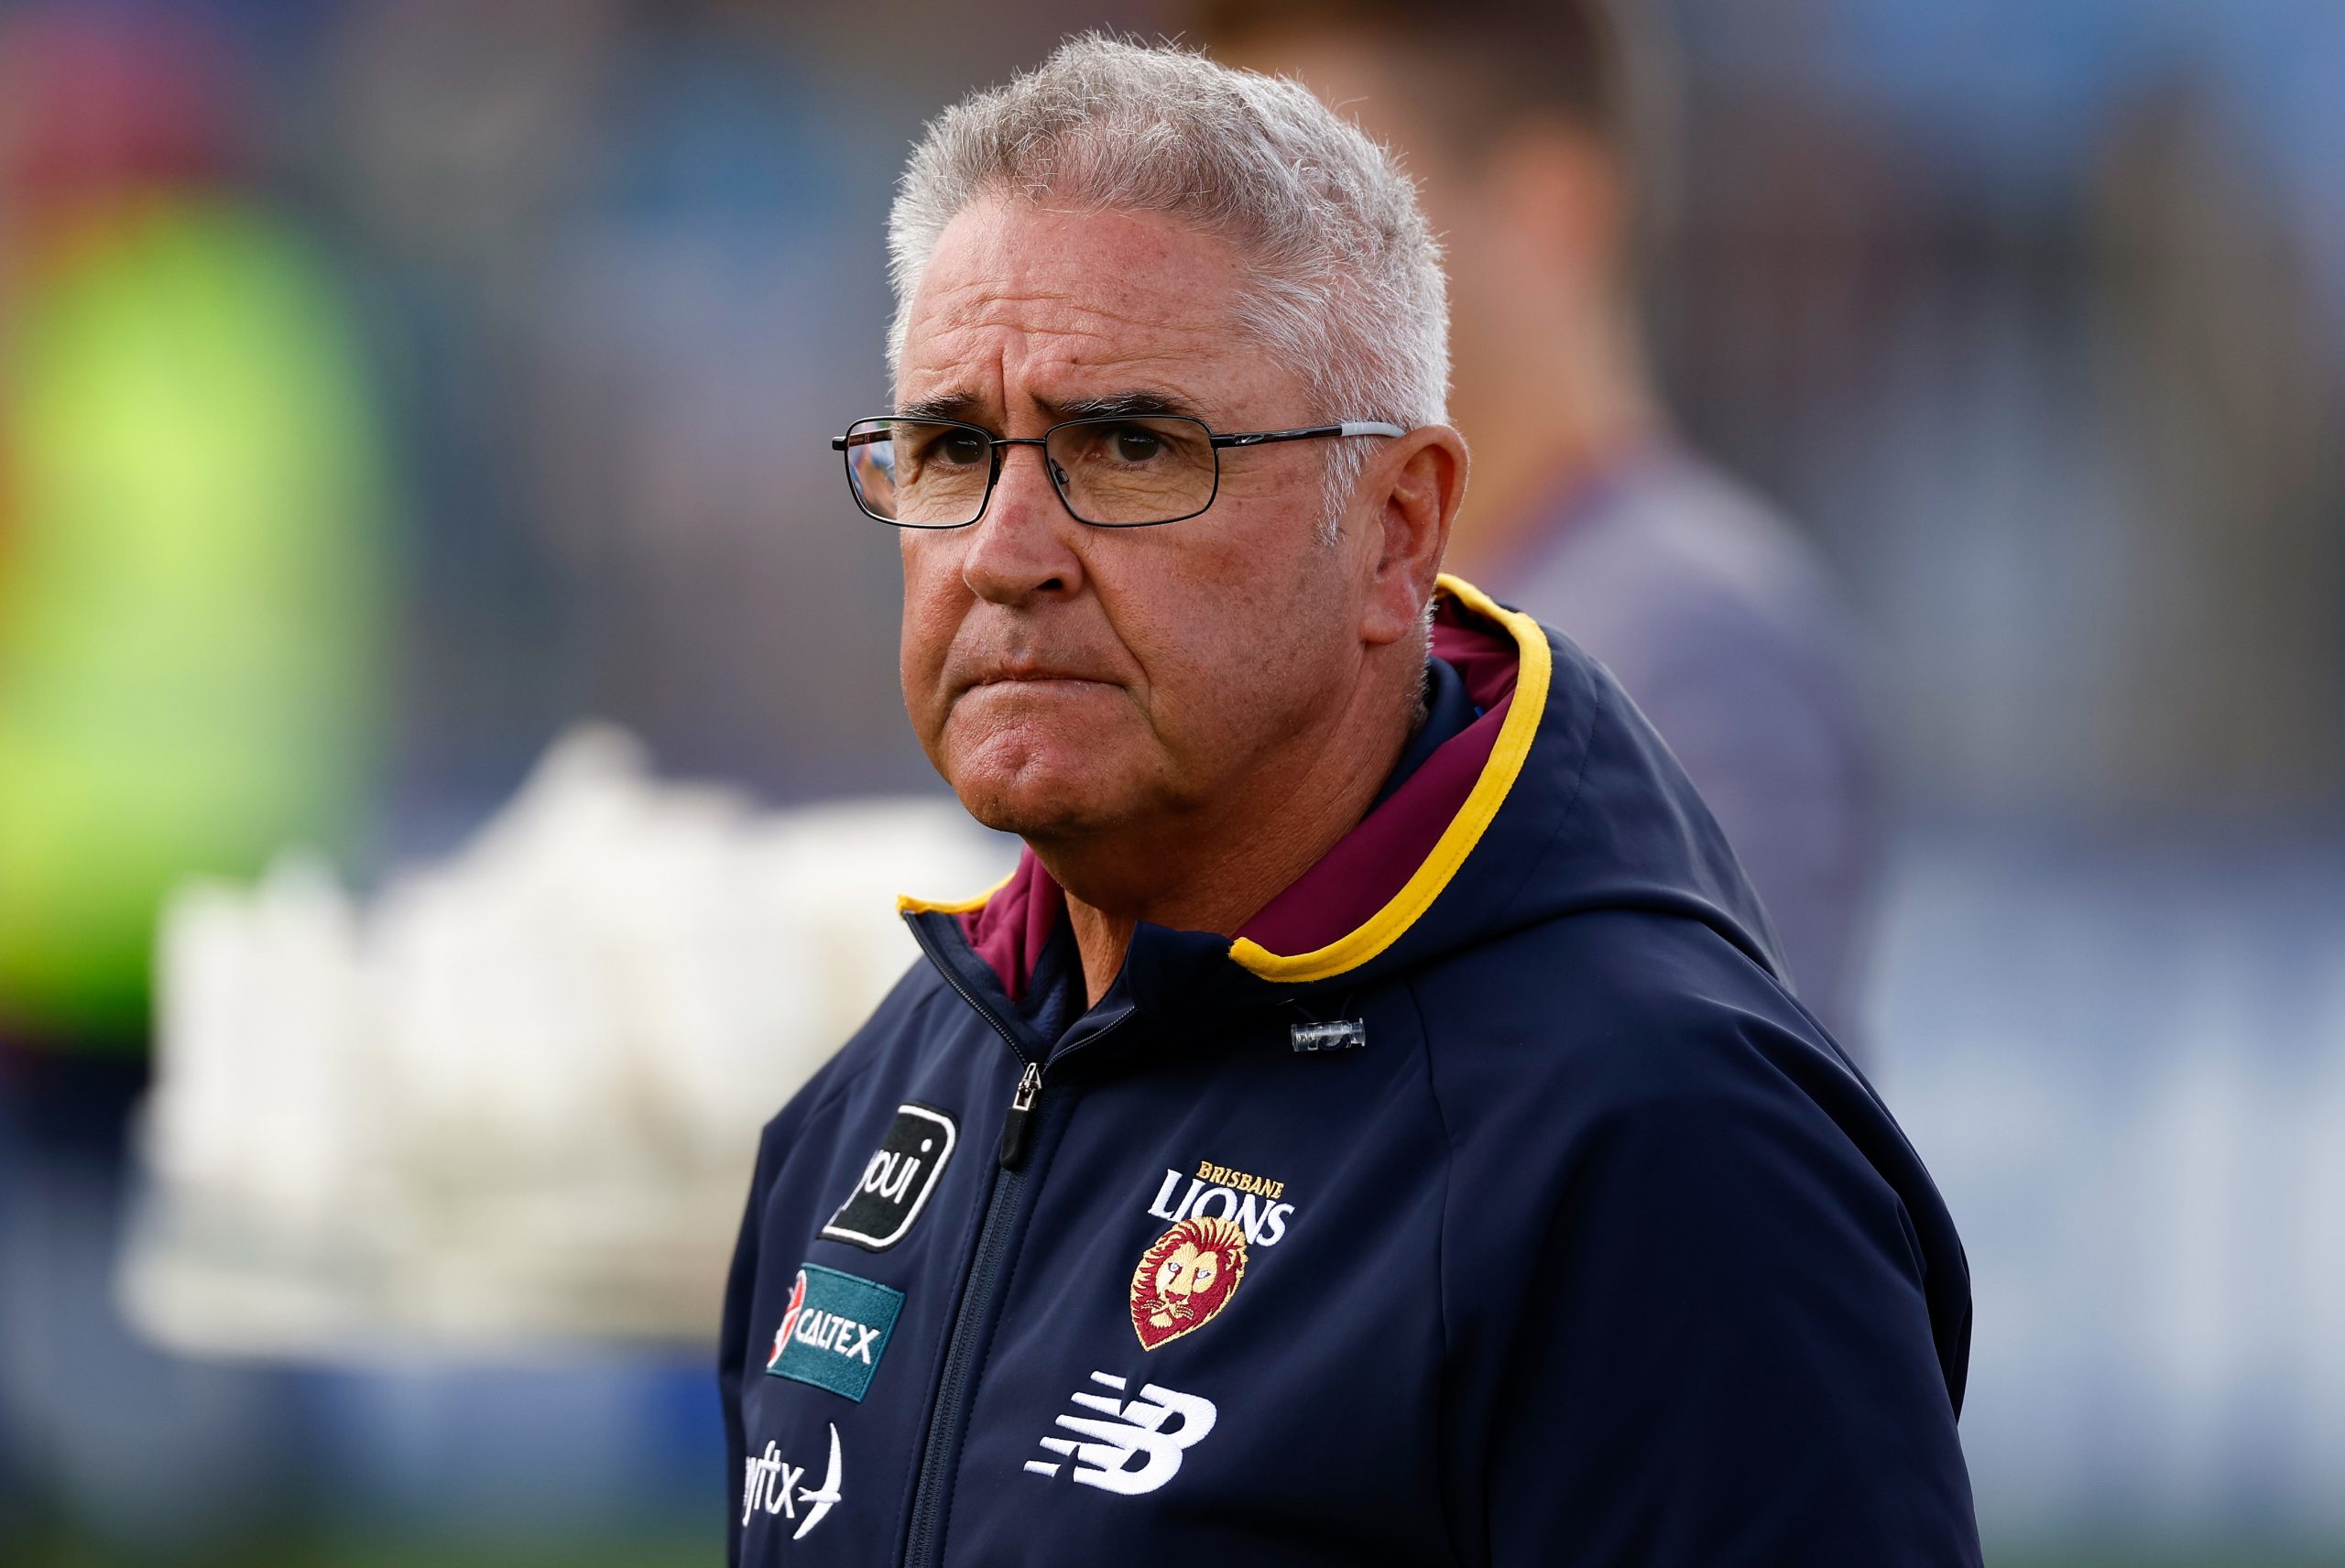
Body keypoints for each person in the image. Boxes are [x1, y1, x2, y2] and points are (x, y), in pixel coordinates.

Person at [719, 36, 1978, 1566]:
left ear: (1398, 530)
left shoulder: (1662, 1146)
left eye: (1129, 445)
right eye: (952, 447)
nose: (1005, 547)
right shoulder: (861, 1116)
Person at [1198, 0, 1884, 1046]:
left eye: (1320, 214)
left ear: (1544, 215)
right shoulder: (1361, 607)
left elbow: (1687, 1148)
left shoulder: (1686, 646)